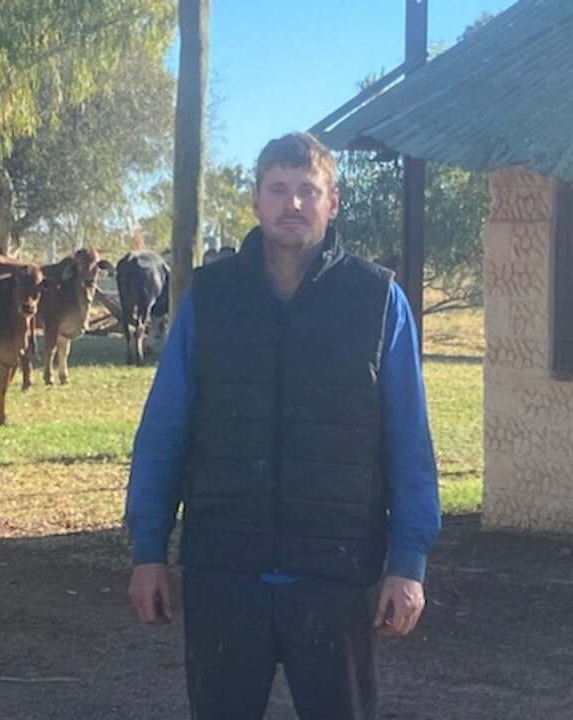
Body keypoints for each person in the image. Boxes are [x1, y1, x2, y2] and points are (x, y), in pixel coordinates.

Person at [125, 131, 441, 720]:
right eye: (278, 189)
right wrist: (148, 551)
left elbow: (408, 442)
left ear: (332, 202)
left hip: (335, 574)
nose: (292, 204)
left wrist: (408, 564)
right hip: (226, 569)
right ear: (256, 201)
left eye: (307, 190)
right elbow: (164, 431)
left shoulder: (376, 301)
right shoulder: (209, 298)